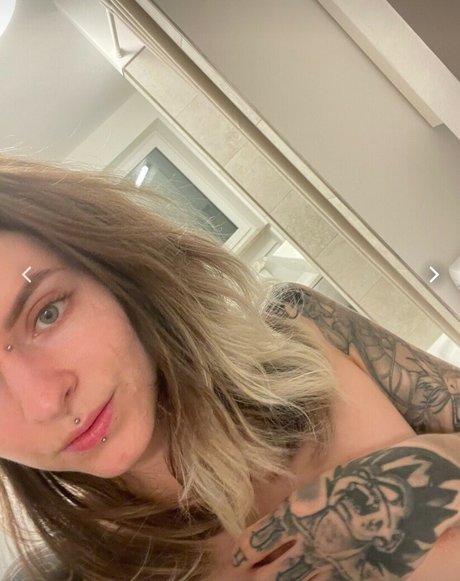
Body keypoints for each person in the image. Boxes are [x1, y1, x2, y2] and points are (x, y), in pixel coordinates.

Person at [0, 156, 458, 580]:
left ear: (112, 274)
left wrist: (435, 465)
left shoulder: (305, 331)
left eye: (47, 313)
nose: (44, 401)